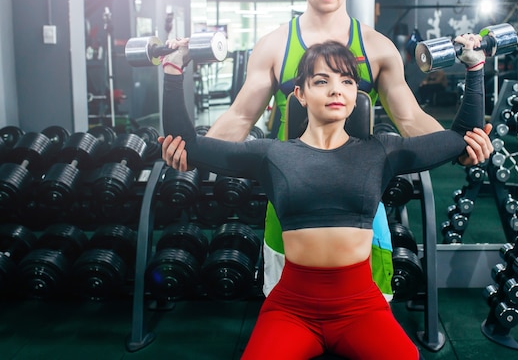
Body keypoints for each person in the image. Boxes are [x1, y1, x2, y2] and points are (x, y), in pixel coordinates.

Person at [159, 0, 493, 299]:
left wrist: (458, 145)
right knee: (288, 309)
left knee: (366, 314)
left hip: (360, 202)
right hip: (290, 200)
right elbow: (240, 117)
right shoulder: (274, 46)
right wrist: (193, 152)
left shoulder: (377, 48)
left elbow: (410, 119)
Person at [160, 36, 490, 359]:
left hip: (361, 307)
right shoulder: (271, 155)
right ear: (300, 94)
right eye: (322, 81)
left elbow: (461, 138)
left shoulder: (382, 152)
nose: (336, 89)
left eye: (347, 81)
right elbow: (188, 144)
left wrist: (474, 68)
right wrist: (174, 70)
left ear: (355, 94)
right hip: (291, 308)